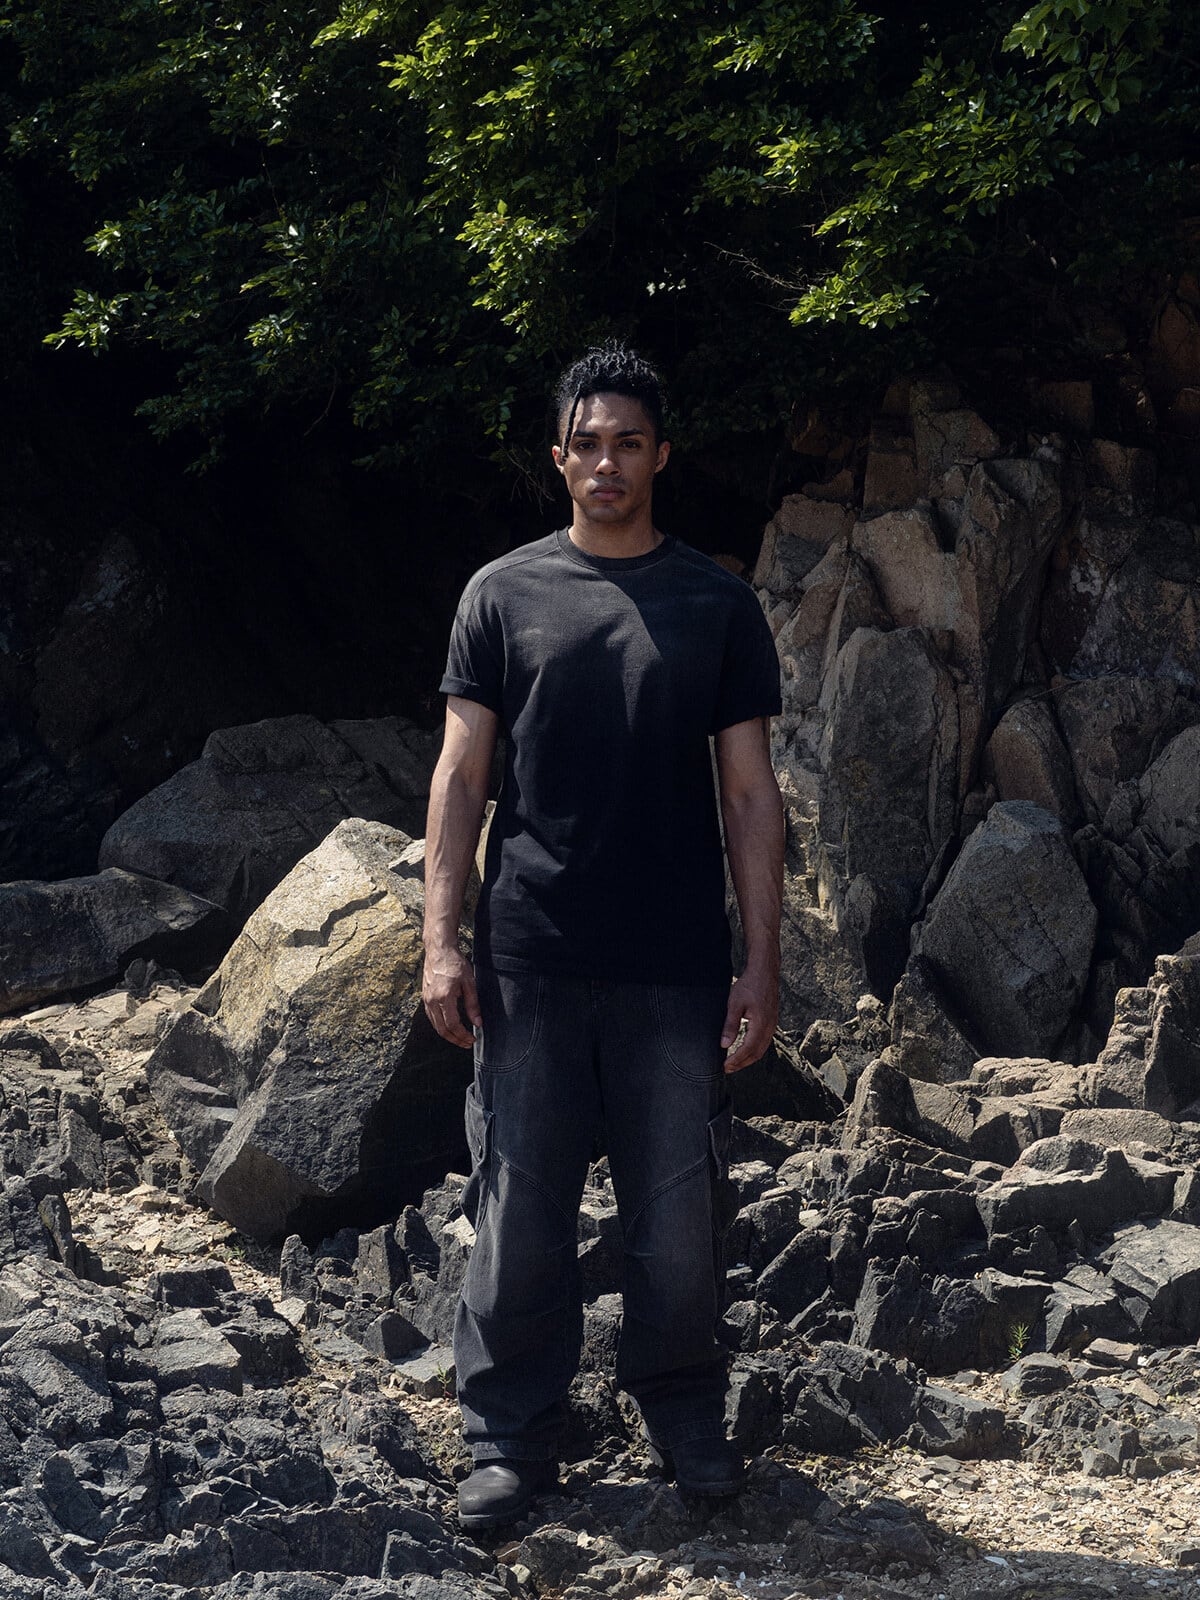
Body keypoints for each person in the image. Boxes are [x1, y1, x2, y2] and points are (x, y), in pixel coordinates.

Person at [421, 343, 784, 1531]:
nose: (608, 463)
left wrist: (762, 962)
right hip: (530, 952)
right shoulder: (502, 594)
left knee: (676, 1219)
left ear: (661, 455)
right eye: (588, 443)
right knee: (519, 1208)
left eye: (630, 442)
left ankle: (684, 1417)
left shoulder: (716, 604)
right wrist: (439, 941)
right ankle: (507, 1440)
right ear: (559, 456)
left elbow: (750, 794)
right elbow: (460, 776)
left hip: (674, 963)